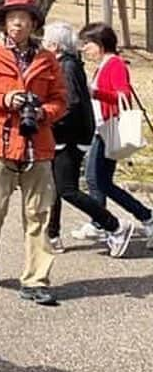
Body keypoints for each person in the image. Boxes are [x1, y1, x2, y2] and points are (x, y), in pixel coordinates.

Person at [0, 0, 67, 306]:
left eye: (24, 17)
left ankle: (36, 280)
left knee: (38, 216)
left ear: (34, 23)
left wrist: (42, 112)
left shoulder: (48, 59)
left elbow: (61, 100)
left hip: (38, 147)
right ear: (5, 23)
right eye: (12, 18)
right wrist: (5, 99)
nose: (18, 23)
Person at [42, 22, 134, 257]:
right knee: (86, 183)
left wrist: (50, 116)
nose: (85, 49)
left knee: (78, 186)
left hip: (92, 131)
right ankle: (57, 233)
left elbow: (74, 103)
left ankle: (115, 223)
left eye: (89, 44)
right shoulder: (73, 65)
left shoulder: (75, 66)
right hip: (89, 131)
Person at [76, 22, 153, 246]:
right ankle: (139, 216)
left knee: (96, 179)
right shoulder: (104, 64)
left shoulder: (115, 64)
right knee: (101, 180)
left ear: (100, 44)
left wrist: (95, 93)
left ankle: (103, 222)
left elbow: (123, 94)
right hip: (103, 127)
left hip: (108, 127)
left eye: (88, 44)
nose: (85, 49)